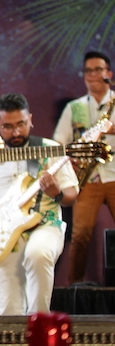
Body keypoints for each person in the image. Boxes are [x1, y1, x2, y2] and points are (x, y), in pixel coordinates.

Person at [0, 93, 78, 315]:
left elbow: (71, 195)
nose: (16, 132)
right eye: (7, 126)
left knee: (38, 253)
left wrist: (56, 192)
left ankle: (39, 325)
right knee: (8, 308)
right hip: (5, 231)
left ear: (30, 119)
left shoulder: (49, 149)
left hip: (45, 224)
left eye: (21, 124)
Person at [53, 51, 115, 285]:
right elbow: (59, 142)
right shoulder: (74, 108)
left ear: (108, 74)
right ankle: (75, 290)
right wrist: (72, 158)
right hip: (88, 179)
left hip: (114, 174)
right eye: (89, 71)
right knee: (79, 236)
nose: (93, 75)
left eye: (98, 70)